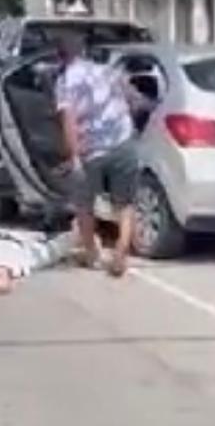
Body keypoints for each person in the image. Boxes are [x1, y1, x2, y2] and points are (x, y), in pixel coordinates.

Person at [55, 31, 140, 278]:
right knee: (125, 203)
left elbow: (68, 120)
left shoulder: (66, 81)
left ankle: (92, 253)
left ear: (60, 57)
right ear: (82, 53)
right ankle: (121, 250)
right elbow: (131, 97)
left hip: (92, 151)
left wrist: (74, 157)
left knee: (84, 204)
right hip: (122, 141)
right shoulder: (105, 70)